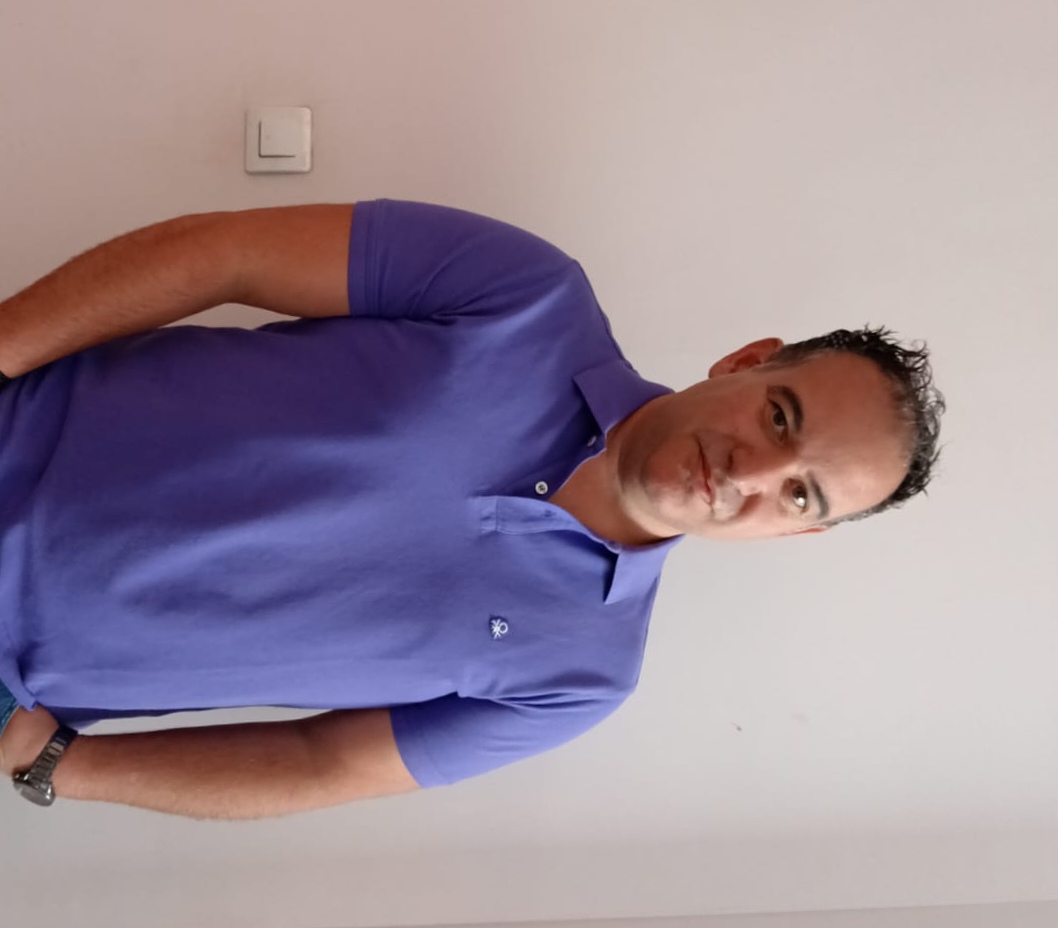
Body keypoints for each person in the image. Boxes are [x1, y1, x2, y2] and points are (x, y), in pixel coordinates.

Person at [0, 200, 943, 818]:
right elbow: (228, 255)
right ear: (747, 361)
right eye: (780, 416)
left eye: (799, 491)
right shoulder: (526, 291)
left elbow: (323, 762)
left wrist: (59, 766)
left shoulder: (581, 677)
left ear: (796, 532)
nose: (753, 469)